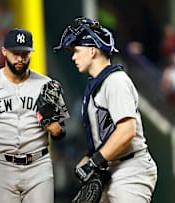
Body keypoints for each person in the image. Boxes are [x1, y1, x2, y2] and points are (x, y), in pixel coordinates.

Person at [54, 17, 158, 202]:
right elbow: (105, 135)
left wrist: (94, 162)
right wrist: (90, 158)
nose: (73, 57)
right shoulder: (97, 86)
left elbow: (127, 131)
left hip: (130, 171)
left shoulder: (115, 81)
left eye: (77, 51)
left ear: (92, 50)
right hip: (111, 171)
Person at [0, 28, 69, 203]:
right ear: (4, 52)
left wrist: (57, 130)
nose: (20, 59)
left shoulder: (47, 85)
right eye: (15, 53)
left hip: (38, 165)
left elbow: (61, 134)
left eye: (25, 53)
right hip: (1, 167)